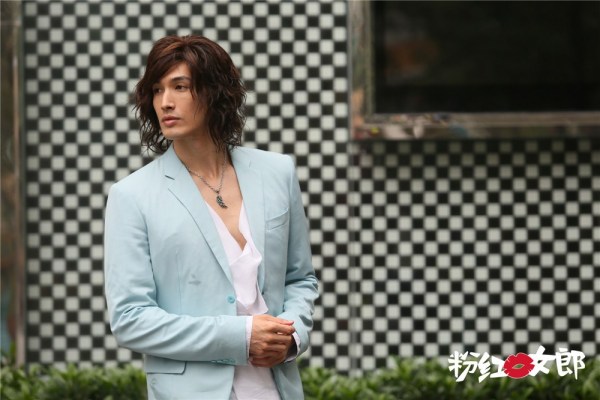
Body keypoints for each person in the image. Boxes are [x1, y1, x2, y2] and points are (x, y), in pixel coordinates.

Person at [104, 34, 319, 400]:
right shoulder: (132, 196)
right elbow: (130, 319)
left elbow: (300, 278)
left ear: (214, 91)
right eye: (156, 90)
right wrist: (241, 336)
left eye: (180, 87)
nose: (165, 102)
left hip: (277, 389)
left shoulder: (277, 172)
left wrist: (292, 336)